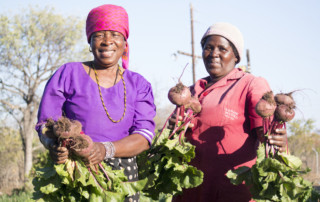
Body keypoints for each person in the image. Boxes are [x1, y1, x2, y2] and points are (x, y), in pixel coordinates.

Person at [35, 4, 156, 201]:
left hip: (122, 176)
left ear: (125, 43)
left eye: (115, 35)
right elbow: (46, 124)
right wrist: (53, 145)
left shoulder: (138, 84)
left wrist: (105, 150)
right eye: (99, 35)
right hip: (75, 171)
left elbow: (144, 136)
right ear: (89, 42)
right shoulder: (68, 74)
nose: (107, 41)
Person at [172, 22, 287, 202]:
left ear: (236, 56)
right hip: (191, 192)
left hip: (231, 191)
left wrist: (276, 138)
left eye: (222, 49)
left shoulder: (250, 84)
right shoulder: (192, 90)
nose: (214, 54)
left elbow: (265, 133)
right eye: (208, 48)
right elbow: (176, 136)